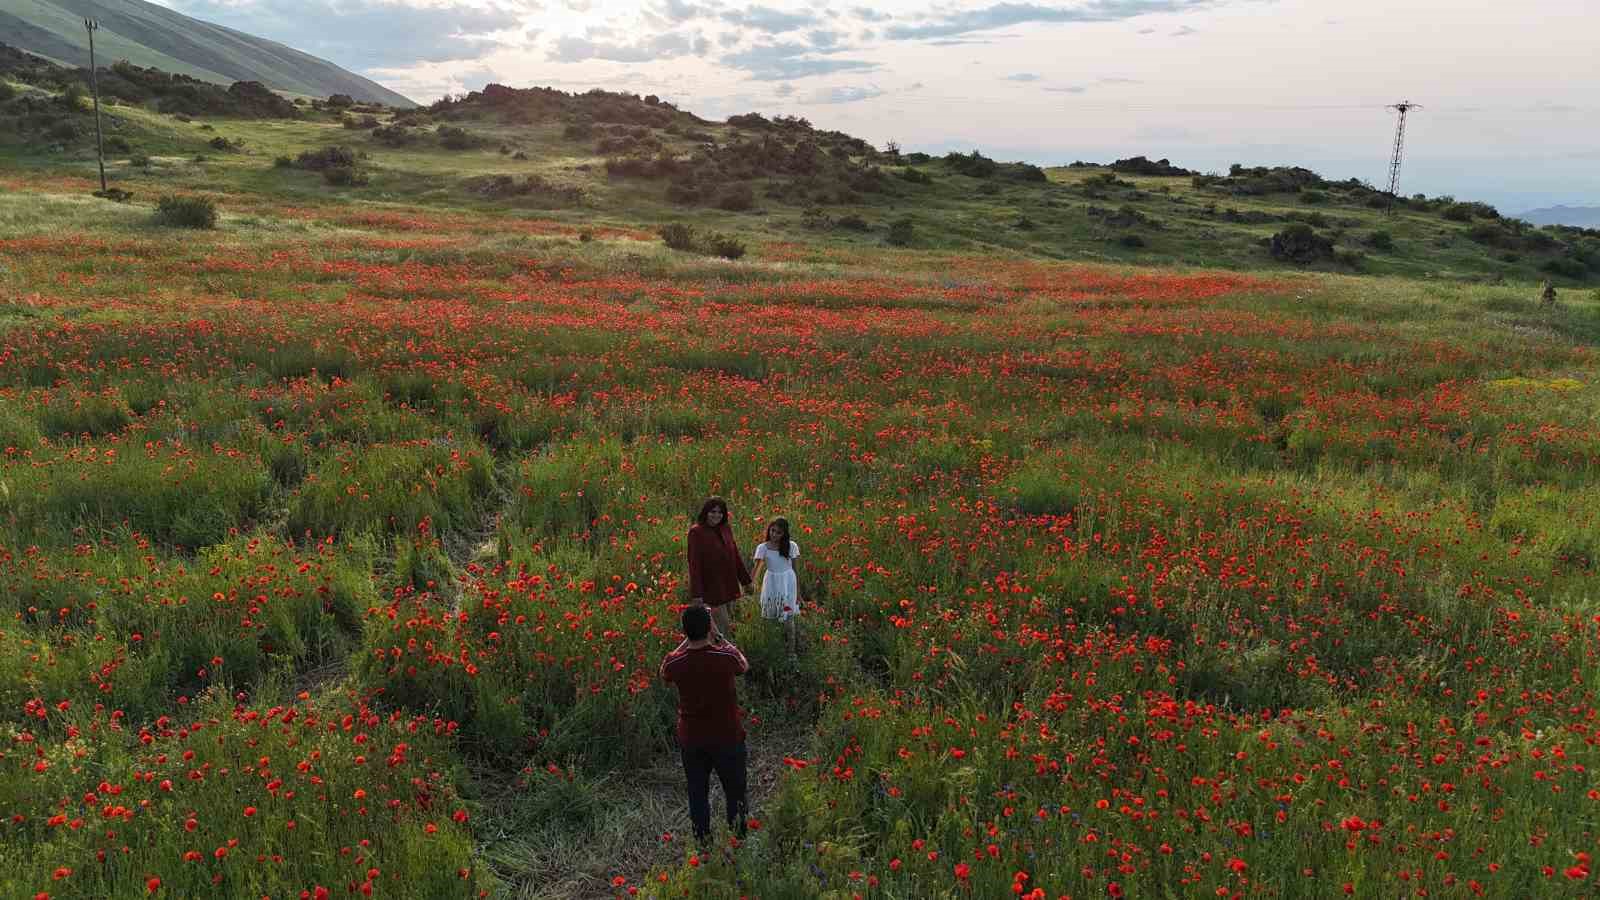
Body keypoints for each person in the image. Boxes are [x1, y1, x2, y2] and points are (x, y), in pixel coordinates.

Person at [659, 605, 749, 845]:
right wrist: (720, 638)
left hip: (693, 739)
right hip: (727, 735)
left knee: (697, 793)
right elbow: (743, 663)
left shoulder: (676, 663)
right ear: (709, 628)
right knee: (735, 792)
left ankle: (703, 845)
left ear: (684, 631)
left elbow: (664, 670)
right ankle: (738, 841)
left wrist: (685, 642)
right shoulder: (724, 657)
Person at [687, 497, 752, 637]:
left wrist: (746, 581)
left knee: (732, 626)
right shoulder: (696, 532)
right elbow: (694, 565)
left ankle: (730, 655)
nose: (716, 515)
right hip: (712, 590)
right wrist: (697, 594)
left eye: (720, 512)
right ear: (705, 512)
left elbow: (736, 556)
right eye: (712, 512)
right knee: (721, 629)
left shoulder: (725, 528)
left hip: (729, 586)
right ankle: (721, 656)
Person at [750, 517, 801, 656]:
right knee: (769, 617)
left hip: (788, 584)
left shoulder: (791, 546)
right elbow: (756, 570)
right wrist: (750, 584)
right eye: (772, 530)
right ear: (769, 530)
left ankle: (791, 652)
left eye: (778, 532)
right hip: (771, 584)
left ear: (784, 534)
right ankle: (772, 649)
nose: (774, 534)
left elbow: (796, 571)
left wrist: (798, 593)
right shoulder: (763, 548)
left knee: (789, 619)